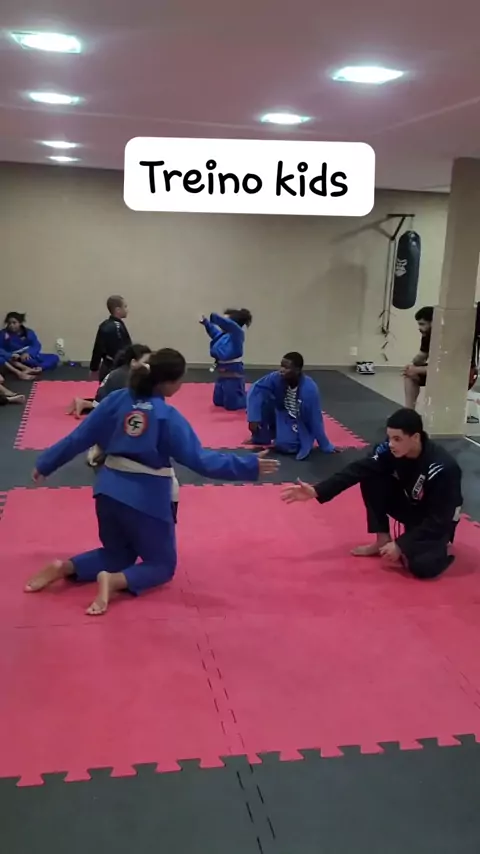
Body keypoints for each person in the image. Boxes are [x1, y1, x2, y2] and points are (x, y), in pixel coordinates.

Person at [25, 348, 279, 615]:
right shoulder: (166, 416)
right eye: (180, 380)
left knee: (118, 554)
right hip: (145, 500)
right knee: (162, 565)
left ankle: (64, 567)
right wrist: (248, 466)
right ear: (167, 383)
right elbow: (201, 461)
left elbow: (78, 438)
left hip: (106, 492)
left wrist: (46, 463)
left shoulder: (116, 400)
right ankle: (113, 581)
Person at [281, 408, 462, 580]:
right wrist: (317, 490)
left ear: (415, 437)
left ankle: (441, 545)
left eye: (397, 439)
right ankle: (382, 539)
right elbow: (357, 469)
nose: (391, 444)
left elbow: (439, 519)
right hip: (413, 506)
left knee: (422, 566)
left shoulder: (443, 468)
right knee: (370, 474)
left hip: (437, 520)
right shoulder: (391, 450)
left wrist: (401, 545)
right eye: (389, 438)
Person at [246, 352, 337, 459]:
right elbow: (256, 389)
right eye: (281, 366)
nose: (281, 370)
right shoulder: (276, 377)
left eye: (286, 368)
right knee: (262, 399)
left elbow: (315, 418)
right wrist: (253, 418)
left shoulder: (310, 389)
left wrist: (325, 445)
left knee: (285, 445)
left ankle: (285, 436)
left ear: (297, 370)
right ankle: (261, 436)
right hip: (282, 413)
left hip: (298, 420)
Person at [404, 305, 478, 408]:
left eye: (422, 324)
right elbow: (422, 356)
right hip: (444, 369)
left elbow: (444, 366)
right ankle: (409, 411)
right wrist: (412, 366)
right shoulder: (428, 335)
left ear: (434, 322)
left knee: (436, 377)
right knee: (409, 375)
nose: (419, 328)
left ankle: (445, 409)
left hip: (461, 373)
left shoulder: (450, 336)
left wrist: (417, 369)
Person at [67, 343, 152, 419]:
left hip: (102, 403)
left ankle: (85, 404)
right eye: (146, 362)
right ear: (133, 362)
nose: (149, 366)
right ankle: (86, 404)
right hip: (104, 410)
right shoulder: (125, 376)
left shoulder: (125, 372)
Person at [200, 308, 252, 410]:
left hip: (233, 375)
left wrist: (215, 318)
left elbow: (229, 325)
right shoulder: (223, 335)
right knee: (218, 401)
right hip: (221, 375)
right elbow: (214, 332)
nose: (222, 325)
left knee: (231, 405)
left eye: (225, 321)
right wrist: (206, 323)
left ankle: (251, 397)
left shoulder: (237, 335)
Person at [0, 312, 59, 379]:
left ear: (20, 323)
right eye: (9, 323)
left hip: (27, 357)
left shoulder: (28, 332)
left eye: (14, 323)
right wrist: (10, 355)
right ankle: (26, 369)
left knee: (54, 357)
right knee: (4, 359)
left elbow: (36, 345)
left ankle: (38, 368)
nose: (11, 325)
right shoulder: (3, 334)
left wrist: (28, 353)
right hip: (14, 359)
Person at [89, 295, 131, 383]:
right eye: (125, 307)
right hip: (116, 368)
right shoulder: (117, 327)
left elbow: (98, 349)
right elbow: (125, 348)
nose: (127, 310)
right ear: (118, 310)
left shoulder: (104, 325)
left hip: (106, 366)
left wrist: (94, 368)